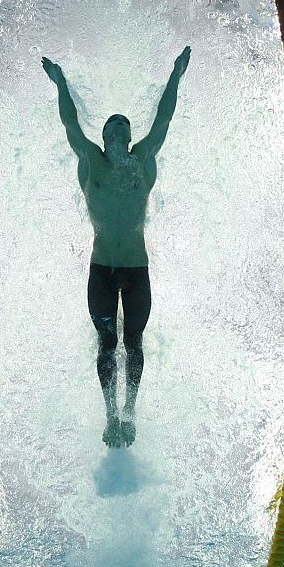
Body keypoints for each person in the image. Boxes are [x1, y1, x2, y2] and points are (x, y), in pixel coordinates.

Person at [42, 45, 191, 447]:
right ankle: (110, 415)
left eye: (126, 125)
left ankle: (130, 412)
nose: (123, 128)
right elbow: (70, 123)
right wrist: (60, 83)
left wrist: (175, 77)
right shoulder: (92, 161)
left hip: (136, 269)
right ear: (106, 135)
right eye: (115, 125)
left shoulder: (143, 160)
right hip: (102, 269)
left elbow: (163, 119)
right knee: (108, 344)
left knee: (134, 343)